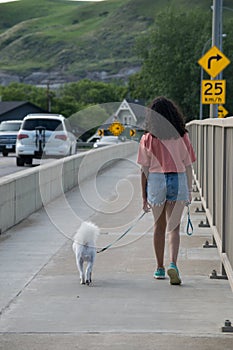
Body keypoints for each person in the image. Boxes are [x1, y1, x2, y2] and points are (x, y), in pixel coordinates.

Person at [137, 96, 196, 285]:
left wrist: (144, 195)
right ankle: (173, 264)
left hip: (156, 180)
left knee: (159, 227)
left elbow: (144, 169)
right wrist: (189, 190)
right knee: (174, 228)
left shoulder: (147, 138)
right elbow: (188, 166)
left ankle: (159, 268)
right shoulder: (182, 135)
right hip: (177, 179)